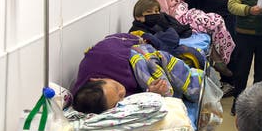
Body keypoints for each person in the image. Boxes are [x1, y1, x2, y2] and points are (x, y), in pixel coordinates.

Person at [71, 33, 202, 114]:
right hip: (147, 76)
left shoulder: (104, 54)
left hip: (142, 52)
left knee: (172, 43)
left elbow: (117, 39)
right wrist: (151, 93)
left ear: (96, 79)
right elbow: (138, 98)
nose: (122, 92)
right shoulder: (89, 100)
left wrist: (140, 42)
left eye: (116, 88)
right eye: (119, 99)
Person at [153, 0, 234, 77]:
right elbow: (164, 12)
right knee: (216, 21)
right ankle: (223, 58)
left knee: (216, 20)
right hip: (181, 17)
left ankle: (221, 58)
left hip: (184, 13)